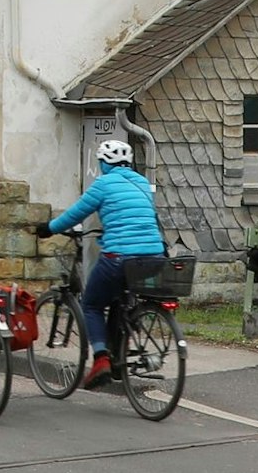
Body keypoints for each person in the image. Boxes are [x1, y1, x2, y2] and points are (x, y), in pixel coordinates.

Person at [34, 139, 164, 390]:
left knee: (91, 304)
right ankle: (120, 349)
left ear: (104, 163)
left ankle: (101, 359)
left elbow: (76, 213)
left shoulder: (103, 184)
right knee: (119, 298)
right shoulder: (141, 183)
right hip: (153, 255)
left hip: (120, 257)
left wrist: (49, 228)